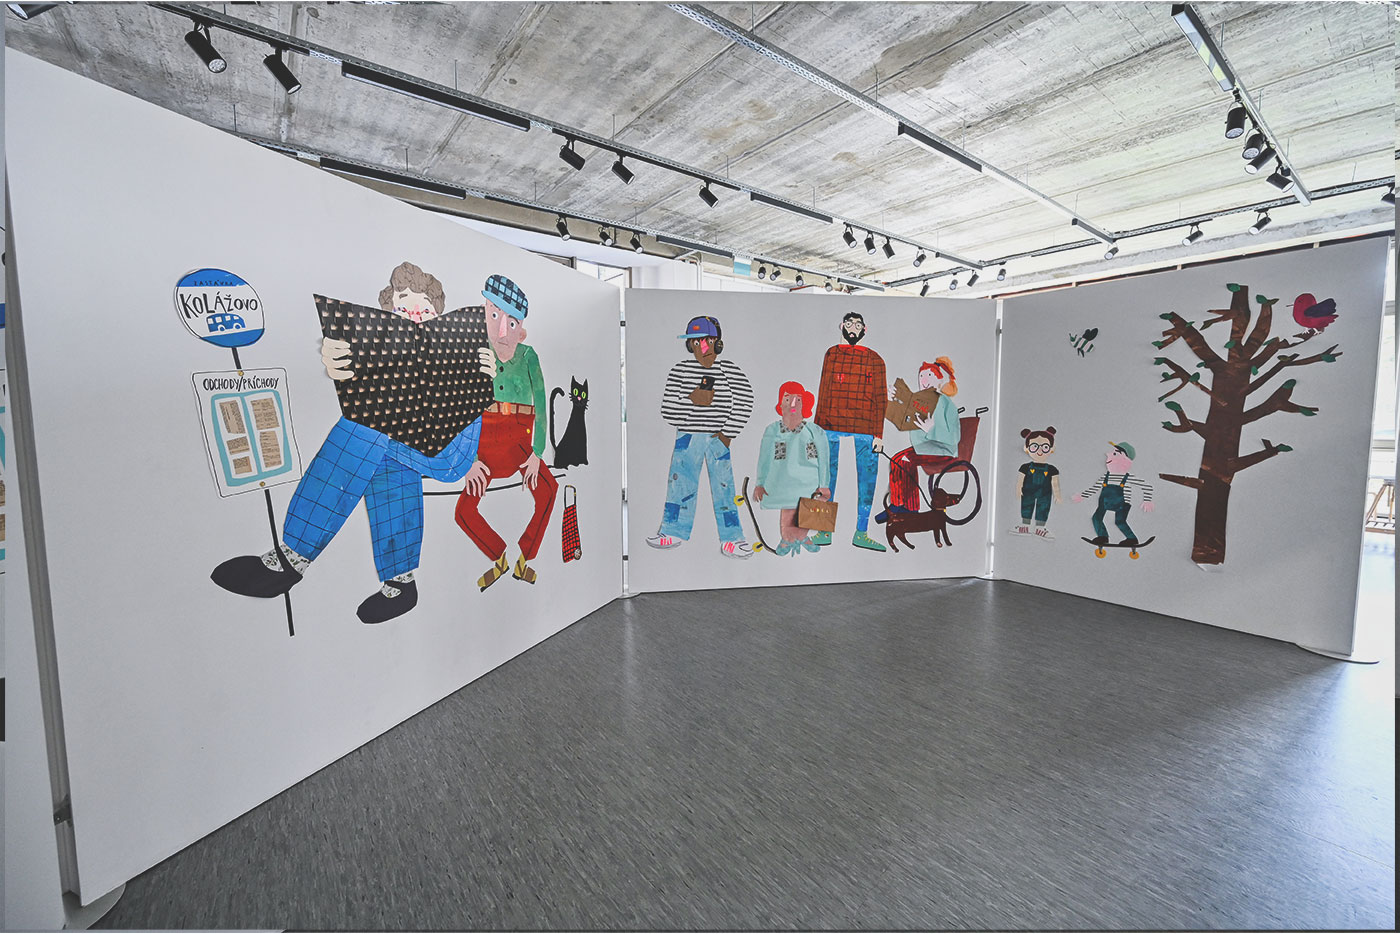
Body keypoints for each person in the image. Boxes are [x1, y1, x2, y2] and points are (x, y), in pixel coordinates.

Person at [212, 261, 495, 624]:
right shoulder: (389, 354)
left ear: (437, 314)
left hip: (453, 451)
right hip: (407, 444)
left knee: (362, 429)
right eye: (402, 309)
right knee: (384, 457)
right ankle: (401, 581)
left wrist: (484, 373)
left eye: (422, 309)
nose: (413, 316)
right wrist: (339, 360)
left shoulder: (459, 346)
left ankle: (293, 557)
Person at [455, 275, 558, 590]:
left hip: (518, 442)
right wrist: (469, 458)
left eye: (512, 323)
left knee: (549, 490)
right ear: (484, 314)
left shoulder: (528, 356)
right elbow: (461, 408)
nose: (503, 331)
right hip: (483, 444)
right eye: (495, 316)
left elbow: (541, 403)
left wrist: (537, 453)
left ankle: (524, 558)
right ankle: (499, 556)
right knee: (464, 511)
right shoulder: (474, 352)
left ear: (521, 329)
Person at [648, 315, 755, 558]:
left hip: (718, 437)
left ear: (718, 343)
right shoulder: (680, 371)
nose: (701, 347)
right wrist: (691, 400)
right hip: (687, 436)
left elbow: (746, 400)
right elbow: (667, 409)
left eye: (706, 341)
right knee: (679, 485)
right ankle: (672, 531)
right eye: (695, 342)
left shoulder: (729, 370)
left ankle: (732, 538)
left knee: (724, 488)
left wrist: (728, 433)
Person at [814, 312, 887, 551]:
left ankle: (861, 532)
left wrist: (879, 434)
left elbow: (881, 398)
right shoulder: (832, 354)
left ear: (864, 329)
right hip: (831, 425)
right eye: (848, 324)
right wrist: (817, 429)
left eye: (857, 325)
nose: (852, 328)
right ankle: (823, 531)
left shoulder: (875, 359)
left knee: (867, 480)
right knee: (825, 478)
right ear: (841, 326)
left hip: (865, 427)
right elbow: (824, 390)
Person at [753, 381, 831, 556]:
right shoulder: (772, 430)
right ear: (780, 404)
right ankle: (787, 538)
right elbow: (764, 457)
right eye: (787, 400)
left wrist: (824, 484)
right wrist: (760, 483)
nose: (793, 404)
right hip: (782, 481)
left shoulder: (814, 431)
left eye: (798, 400)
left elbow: (824, 458)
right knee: (788, 508)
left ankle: (802, 537)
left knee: (807, 510)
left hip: (809, 482)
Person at [880, 358, 961, 520]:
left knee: (903, 460)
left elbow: (954, 437)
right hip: (923, 447)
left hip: (943, 450)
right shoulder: (918, 400)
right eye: (921, 376)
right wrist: (891, 399)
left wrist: (931, 429)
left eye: (929, 375)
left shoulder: (945, 402)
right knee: (897, 460)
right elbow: (902, 416)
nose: (924, 380)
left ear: (939, 380)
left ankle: (905, 507)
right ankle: (903, 506)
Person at [1072, 441, 1155, 546]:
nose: (1109, 455)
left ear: (1125, 459)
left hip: (1122, 504)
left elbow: (1147, 486)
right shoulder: (1105, 476)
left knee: (1120, 521)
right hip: (1104, 503)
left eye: (1115, 453)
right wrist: (1082, 496)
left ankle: (1132, 539)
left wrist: (1147, 500)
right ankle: (1103, 537)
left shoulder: (1127, 477)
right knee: (1096, 518)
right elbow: (1095, 488)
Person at [1012, 427, 1062, 540]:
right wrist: (1018, 488)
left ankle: (1040, 528)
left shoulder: (1052, 469)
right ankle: (1025, 526)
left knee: (1043, 508)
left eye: (1045, 447)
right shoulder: (1025, 467)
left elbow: (1055, 484)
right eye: (1035, 447)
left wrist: (1057, 495)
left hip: (1045, 493)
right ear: (1027, 448)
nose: (1040, 451)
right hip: (1028, 492)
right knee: (1026, 505)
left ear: (1051, 449)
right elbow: (1020, 480)